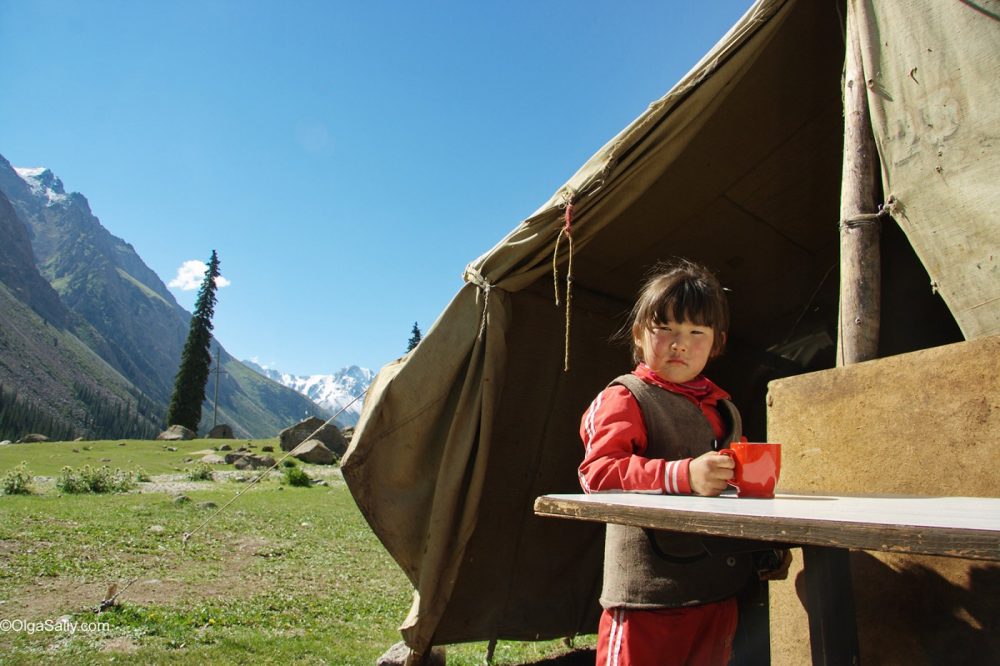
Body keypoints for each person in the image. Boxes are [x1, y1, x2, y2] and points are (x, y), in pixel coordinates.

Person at [578, 258, 781, 666]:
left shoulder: (724, 408)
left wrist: (760, 536)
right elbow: (597, 473)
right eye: (665, 329)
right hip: (650, 598)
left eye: (695, 332)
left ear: (717, 342)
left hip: (717, 592)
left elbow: (724, 490)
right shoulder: (626, 397)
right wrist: (683, 473)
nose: (679, 344)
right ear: (638, 336)